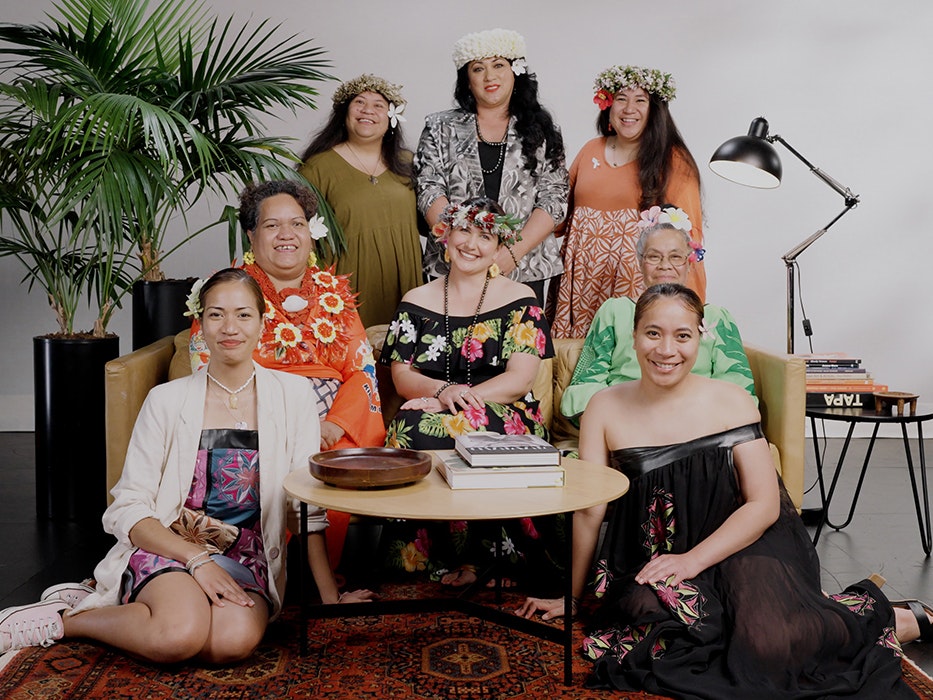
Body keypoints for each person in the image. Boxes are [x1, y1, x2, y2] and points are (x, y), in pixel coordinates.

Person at [518, 284, 929, 698]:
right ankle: (813, 608)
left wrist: (692, 561)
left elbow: (764, 505)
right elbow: (591, 510)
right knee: (653, 628)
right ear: (635, 335)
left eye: (682, 336)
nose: (666, 350)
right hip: (660, 550)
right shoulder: (604, 407)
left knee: (769, 644)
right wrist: (573, 597)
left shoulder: (732, 401)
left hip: (742, 538)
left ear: (700, 337)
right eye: (653, 333)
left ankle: (890, 618)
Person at [0, 269, 372, 659]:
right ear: (201, 324)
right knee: (179, 635)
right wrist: (196, 560)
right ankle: (65, 620)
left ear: (263, 323)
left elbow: (304, 509)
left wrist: (331, 601)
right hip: (172, 546)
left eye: (244, 314)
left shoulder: (294, 396)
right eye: (216, 314)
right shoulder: (166, 400)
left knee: (231, 643)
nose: (230, 327)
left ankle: (117, 600)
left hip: (246, 558)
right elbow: (128, 506)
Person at [189, 180, 386, 563]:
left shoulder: (335, 293)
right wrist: (290, 425)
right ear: (251, 234)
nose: (286, 235)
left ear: (310, 233)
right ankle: (260, 570)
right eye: (272, 225)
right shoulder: (226, 292)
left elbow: (361, 369)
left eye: (297, 224)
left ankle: (319, 575)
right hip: (259, 422)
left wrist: (333, 426)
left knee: (339, 464)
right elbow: (211, 371)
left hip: (332, 431)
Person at [379, 197, 555, 585]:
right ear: (446, 234)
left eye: (485, 236)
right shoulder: (416, 300)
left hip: (505, 407)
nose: (471, 244)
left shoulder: (521, 299)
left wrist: (461, 400)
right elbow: (401, 374)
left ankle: (484, 560)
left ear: (499, 246)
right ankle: (421, 562)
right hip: (435, 401)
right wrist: (443, 391)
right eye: (464, 230)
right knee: (409, 427)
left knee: (463, 423)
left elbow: (520, 379)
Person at [415, 28, 568, 306]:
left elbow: (554, 198)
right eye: (478, 68)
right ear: (467, 79)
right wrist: (462, 248)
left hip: (523, 265)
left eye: (498, 65)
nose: (489, 76)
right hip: (454, 263)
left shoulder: (543, 129)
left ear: (515, 72)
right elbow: (429, 189)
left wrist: (512, 253)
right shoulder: (439, 127)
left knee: (518, 335)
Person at [561, 205, 754, 425]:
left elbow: (738, 389)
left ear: (689, 263)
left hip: (696, 424)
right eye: (654, 257)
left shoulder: (716, 317)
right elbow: (585, 385)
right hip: (625, 422)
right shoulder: (615, 311)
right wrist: (621, 422)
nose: (665, 266)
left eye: (675, 257)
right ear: (640, 262)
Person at [550, 65, 705, 339]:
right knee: (577, 358)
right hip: (580, 285)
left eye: (640, 100)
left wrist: (689, 306)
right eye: (621, 98)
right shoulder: (591, 149)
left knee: (625, 352)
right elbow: (558, 217)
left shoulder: (673, 161)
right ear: (608, 106)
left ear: (655, 110)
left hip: (633, 286)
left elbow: (689, 239)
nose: (629, 109)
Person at [298, 73, 421, 328]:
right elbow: (301, 233)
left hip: (405, 281)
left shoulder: (409, 162)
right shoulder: (317, 167)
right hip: (347, 286)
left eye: (379, 105)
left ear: (392, 116)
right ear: (344, 112)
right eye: (359, 103)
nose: (368, 111)